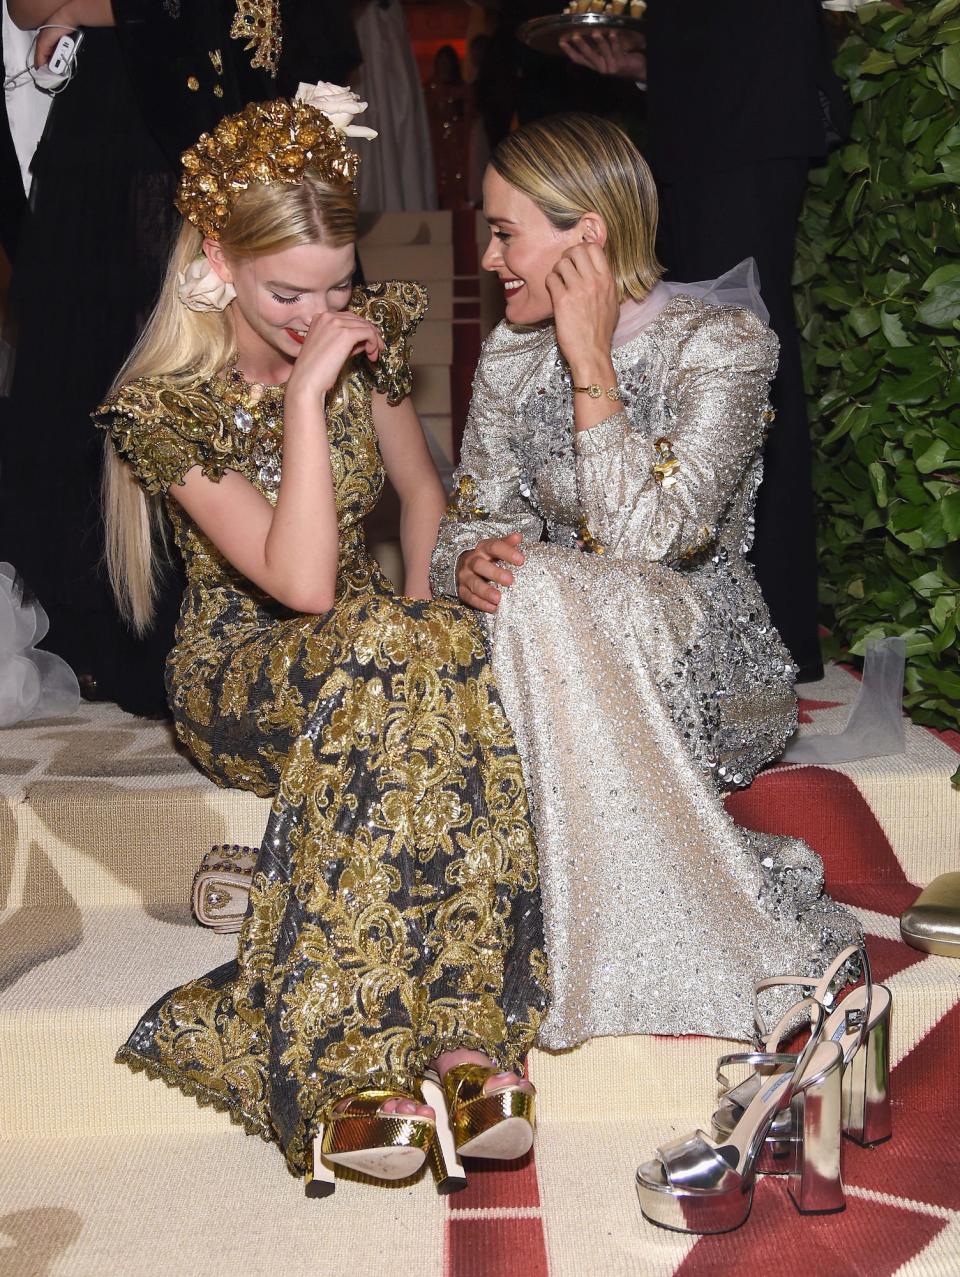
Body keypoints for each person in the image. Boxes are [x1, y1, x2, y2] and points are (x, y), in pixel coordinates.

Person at [93, 87, 547, 1194]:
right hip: (242, 672)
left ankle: (458, 1042)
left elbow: (419, 493)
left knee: (437, 653)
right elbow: (298, 584)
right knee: (398, 652)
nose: (320, 313)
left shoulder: (369, 330)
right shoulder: (163, 408)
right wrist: (304, 399)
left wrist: (439, 603)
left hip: (369, 640)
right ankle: (347, 1057)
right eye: (288, 291)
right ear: (217, 262)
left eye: (339, 285)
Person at [431, 113, 861, 1052]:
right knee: (492, 607)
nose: (489, 255)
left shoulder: (724, 346)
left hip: (698, 655)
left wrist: (590, 362)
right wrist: (462, 562)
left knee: (545, 590)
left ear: (587, 235)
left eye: (507, 232)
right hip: (547, 635)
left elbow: (648, 543)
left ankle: (687, 945)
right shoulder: (509, 354)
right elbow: (467, 516)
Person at [561, 2, 849, 680]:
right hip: (698, 110)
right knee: (698, 354)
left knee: (745, 355)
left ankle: (769, 635)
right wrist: (648, 60)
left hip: (746, 109)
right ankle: (713, 621)